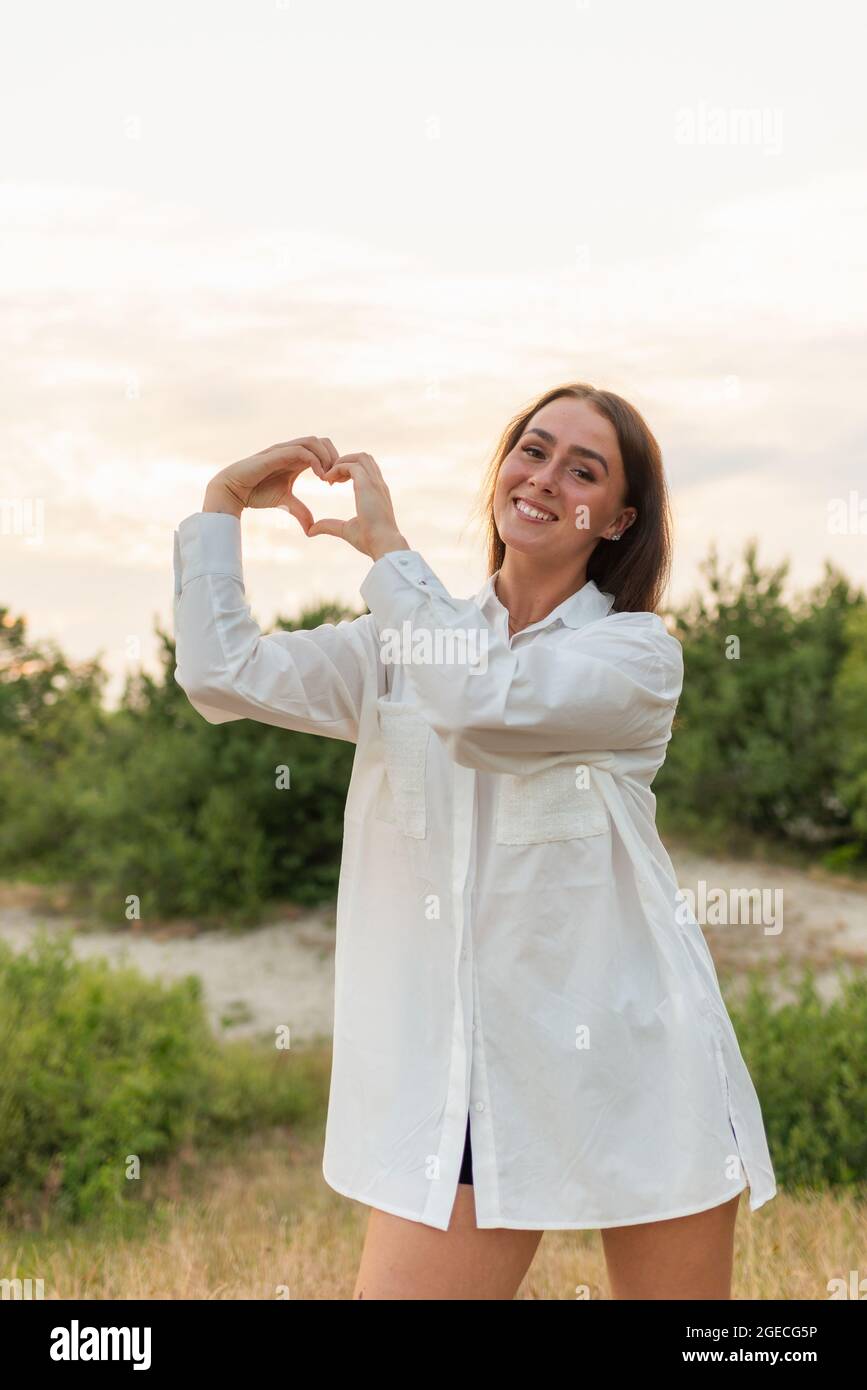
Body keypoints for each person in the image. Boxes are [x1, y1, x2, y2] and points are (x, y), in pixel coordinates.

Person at [172, 382, 776, 1299]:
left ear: (616, 519)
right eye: (531, 450)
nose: (542, 477)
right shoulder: (395, 646)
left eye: (583, 469)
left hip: (640, 1065)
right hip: (465, 1080)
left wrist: (386, 550)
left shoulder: (634, 656)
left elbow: (476, 705)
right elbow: (222, 673)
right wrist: (219, 505)